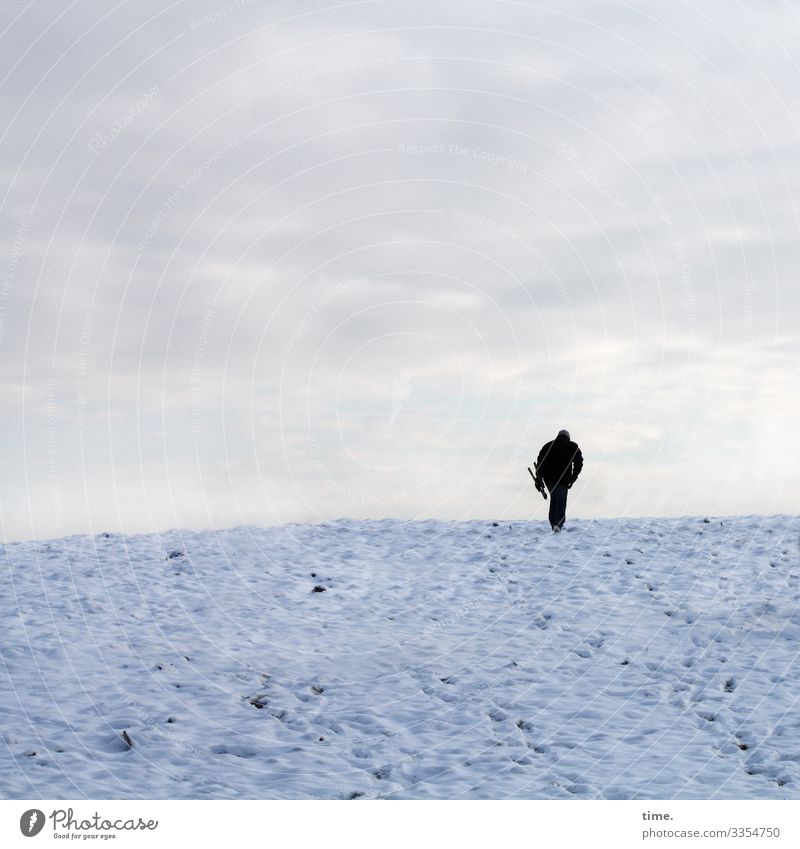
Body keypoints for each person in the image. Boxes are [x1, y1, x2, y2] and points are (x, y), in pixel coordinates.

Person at [535, 429, 583, 532]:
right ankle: (558, 525)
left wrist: (539, 481)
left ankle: (554, 524)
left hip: (549, 480)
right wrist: (573, 477)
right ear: (568, 437)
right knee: (560, 500)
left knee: (554, 499)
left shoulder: (547, 446)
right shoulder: (572, 446)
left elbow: (539, 464)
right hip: (563, 480)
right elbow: (579, 463)